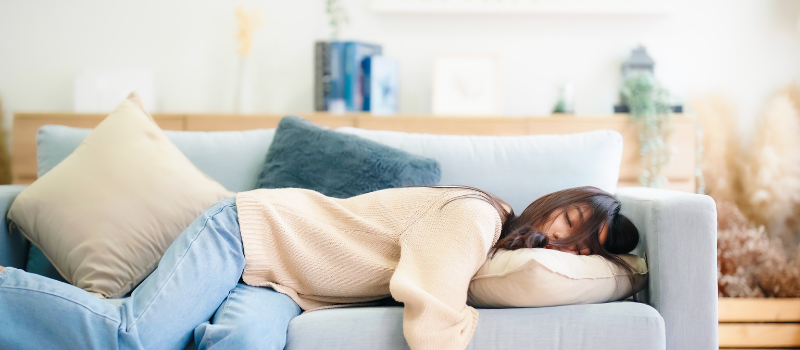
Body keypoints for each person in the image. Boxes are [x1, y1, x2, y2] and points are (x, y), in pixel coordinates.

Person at [0, 185, 638, 350]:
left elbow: (625, 268)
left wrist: (628, 270)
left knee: (247, 343)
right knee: (135, 337)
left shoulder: (500, 251)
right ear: (554, 203)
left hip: (287, 287)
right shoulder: (476, 216)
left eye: (587, 246)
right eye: (573, 219)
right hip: (248, 235)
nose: (568, 242)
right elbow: (433, 301)